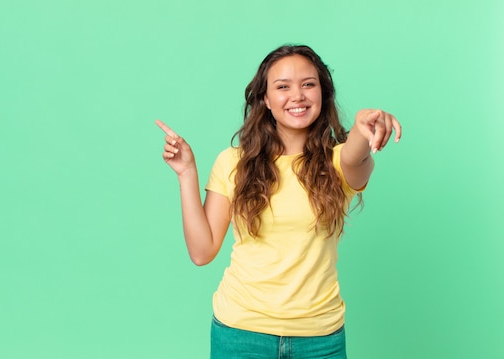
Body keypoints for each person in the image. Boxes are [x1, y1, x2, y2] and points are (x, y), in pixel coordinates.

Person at [155, 44, 402, 359]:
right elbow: (202, 252)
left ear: (323, 94)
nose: (297, 95)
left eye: (308, 85)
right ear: (265, 100)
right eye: (283, 87)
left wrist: (362, 126)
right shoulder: (233, 162)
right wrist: (187, 173)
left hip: (319, 338)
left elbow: (357, 152)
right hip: (240, 333)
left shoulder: (338, 163)